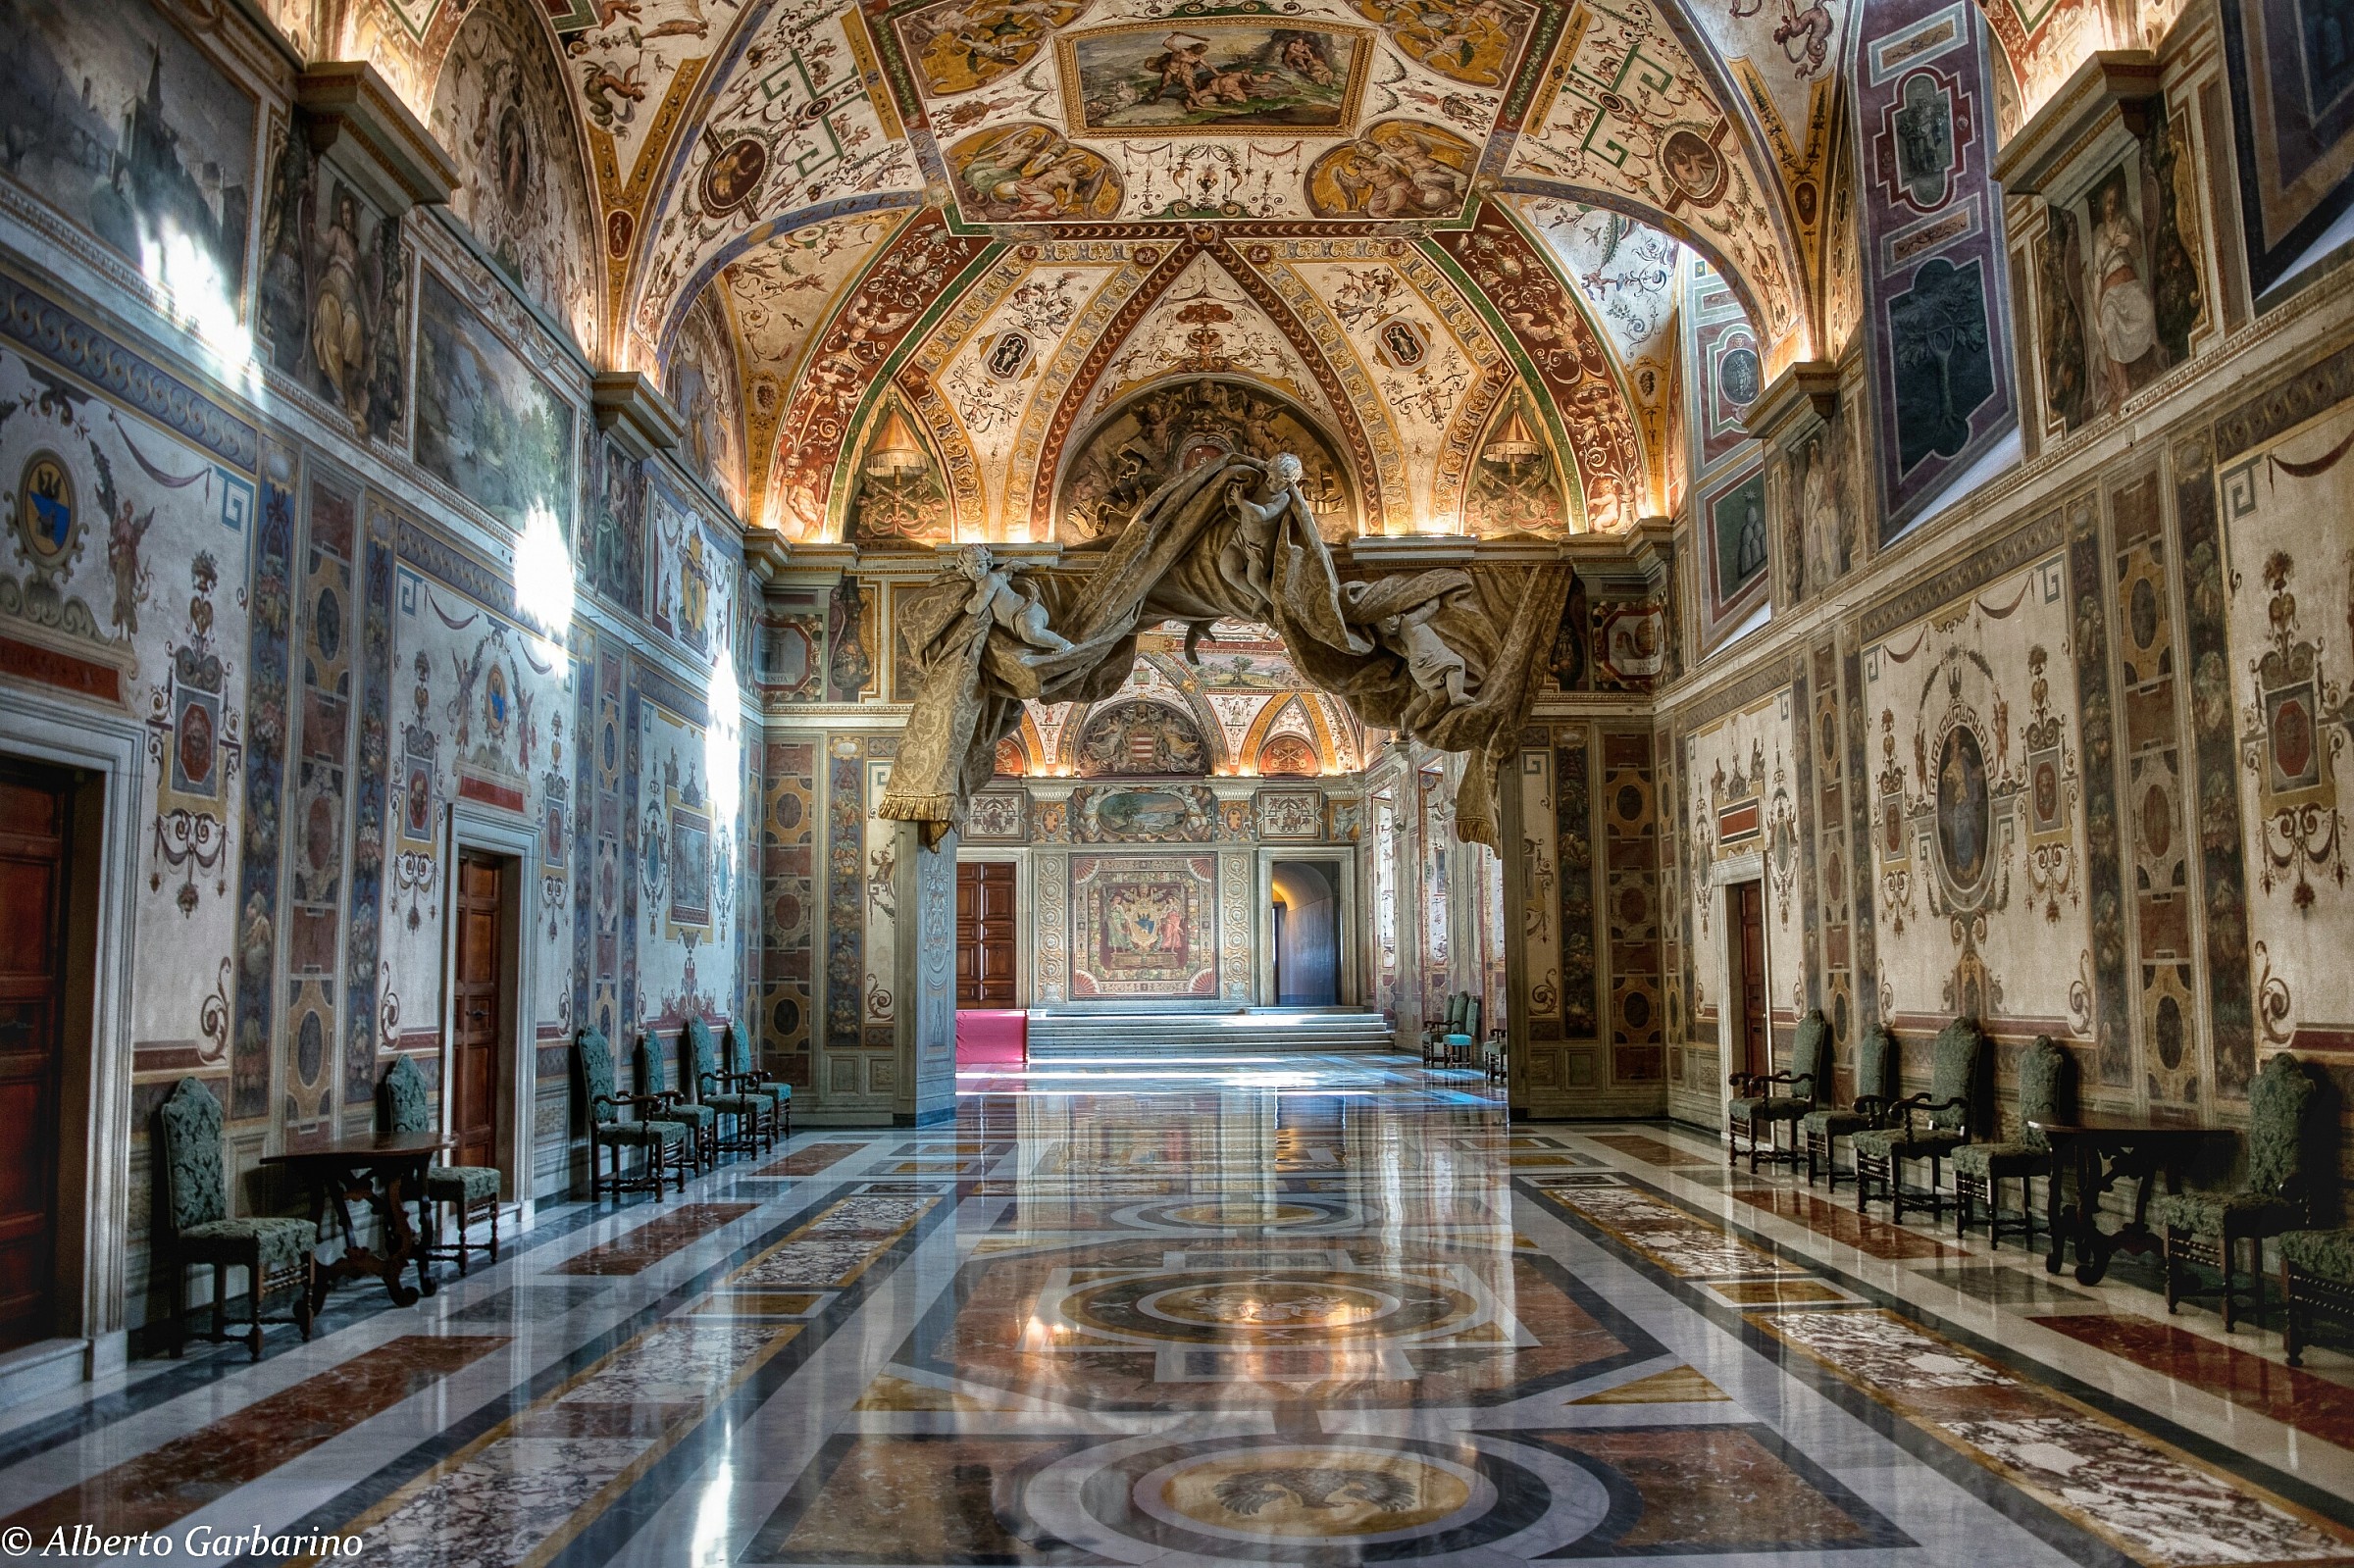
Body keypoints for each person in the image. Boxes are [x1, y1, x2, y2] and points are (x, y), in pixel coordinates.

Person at [959, 544, 1072, 652]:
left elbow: (976, 607)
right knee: (1031, 636)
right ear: (963, 568)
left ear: (988, 564)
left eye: (980, 566)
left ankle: (1065, 645)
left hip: (1025, 612)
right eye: (970, 567)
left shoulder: (989, 579)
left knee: (1031, 634)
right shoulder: (989, 579)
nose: (976, 571)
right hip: (1022, 616)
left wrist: (964, 603)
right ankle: (1057, 647)